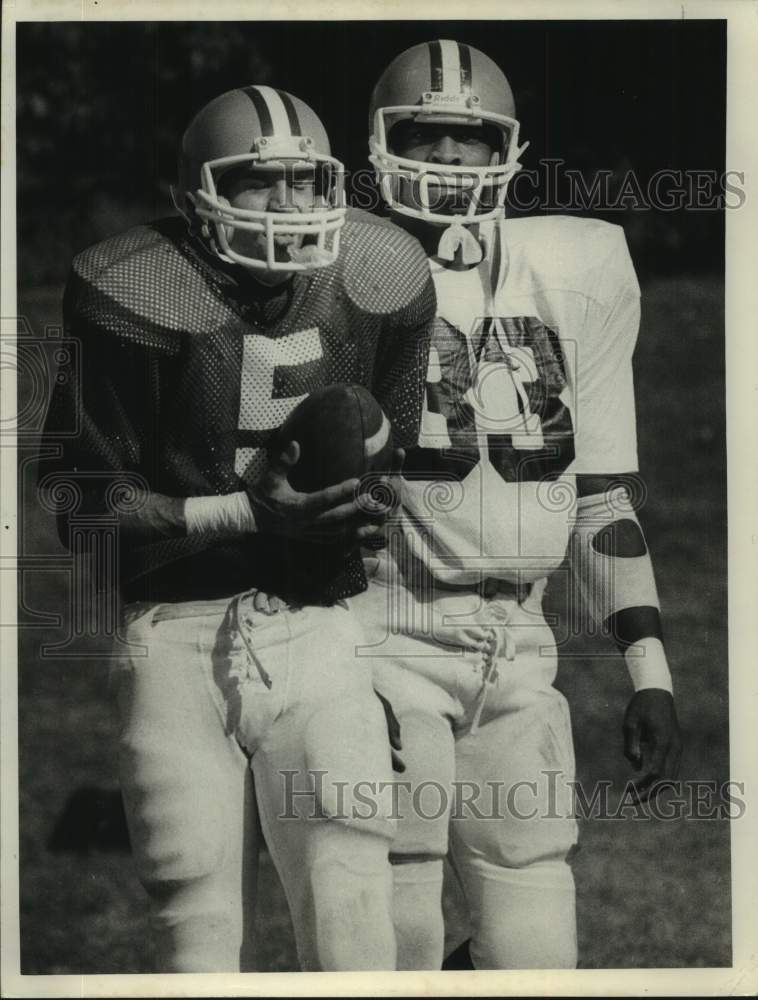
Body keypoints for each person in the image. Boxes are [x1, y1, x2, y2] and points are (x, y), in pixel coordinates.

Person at [41, 84, 435, 972]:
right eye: (260, 184)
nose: (290, 209)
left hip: (319, 625)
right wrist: (244, 512)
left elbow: (386, 456)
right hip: (176, 632)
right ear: (192, 196)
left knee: (352, 907)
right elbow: (78, 504)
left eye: (306, 183)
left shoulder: (382, 273)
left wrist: (368, 523)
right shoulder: (132, 286)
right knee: (199, 923)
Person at [350, 39, 683, 970]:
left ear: (509, 149)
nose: (450, 158)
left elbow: (600, 495)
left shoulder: (577, 266)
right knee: (394, 923)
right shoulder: (330, 276)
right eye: (427, 133)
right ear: (382, 143)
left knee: (536, 950)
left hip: (518, 648)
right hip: (383, 636)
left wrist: (648, 666)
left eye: (469, 137)